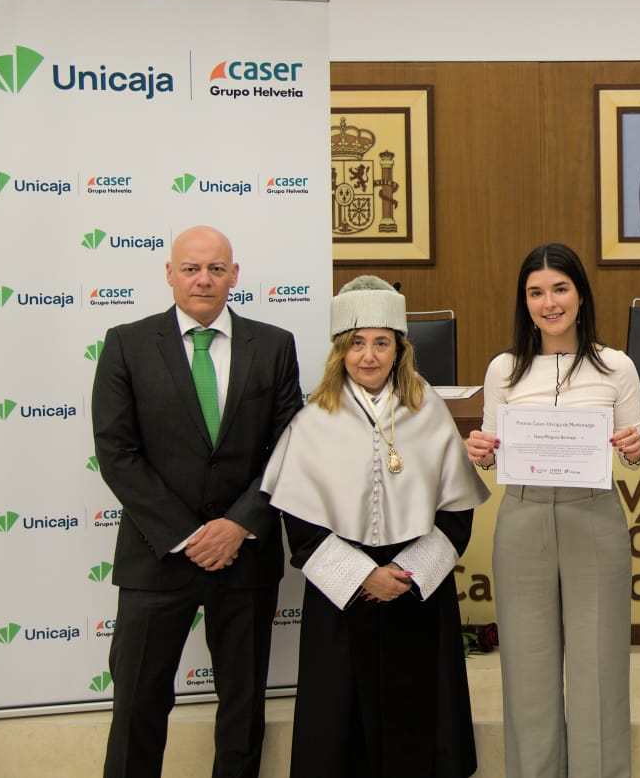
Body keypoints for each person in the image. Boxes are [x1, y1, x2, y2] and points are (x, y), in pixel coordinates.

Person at [92, 225, 303, 778]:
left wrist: (237, 526)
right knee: (137, 706)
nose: (203, 279)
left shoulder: (275, 345)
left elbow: (288, 449)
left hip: (245, 555)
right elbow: (117, 452)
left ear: (234, 275)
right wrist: (189, 536)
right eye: (190, 268)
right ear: (169, 274)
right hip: (155, 556)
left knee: (241, 710)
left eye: (215, 269)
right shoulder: (126, 343)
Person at [260, 276, 490, 777]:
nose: (369, 356)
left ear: (400, 349)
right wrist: (364, 577)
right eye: (357, 344)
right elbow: (300, 525)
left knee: (421, 726)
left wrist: (404, 574)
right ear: (340, 350)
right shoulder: (314, 419)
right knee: (343, 733)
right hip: (344, 597)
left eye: (381, 343)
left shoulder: (427, 408)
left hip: (416, 593)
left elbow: (456, 513)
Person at [464, 243, 640, 778]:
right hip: (522, 520)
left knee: (600, 667)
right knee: (528, 671)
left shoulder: (617, 366)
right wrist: (480, 452)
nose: (549, 302)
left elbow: (635, 453)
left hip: (594, 517)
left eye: (560, 288)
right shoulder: (504, 369)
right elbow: (492, 454)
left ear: (581, 294)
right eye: (536, 292)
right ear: (525, 302)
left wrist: (635, 450)